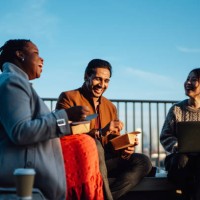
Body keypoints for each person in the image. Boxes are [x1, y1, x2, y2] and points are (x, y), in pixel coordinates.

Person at [0, 39, 91, 200]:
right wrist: (66, 116)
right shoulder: (12, 82)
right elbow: (21, 131)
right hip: (25, 191)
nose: (42, 59)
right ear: (20, 55)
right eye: (36, 53)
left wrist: (66, 123)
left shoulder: (15, 83)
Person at [56, 58, 152, 200]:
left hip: (104, 161)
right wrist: (100, 132)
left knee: (143, 161)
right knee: (96, 145)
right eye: (97, 79)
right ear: (86, 76)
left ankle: (105, 197)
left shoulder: (110, 106)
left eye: (106, 81)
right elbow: (61, 130)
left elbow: (113, 144)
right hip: (80, 160)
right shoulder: (68, 97)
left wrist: (125, 147)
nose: (102, 85)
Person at [160, 68, 200, 200]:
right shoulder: (176, 109)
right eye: (187, 79)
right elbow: (165, 136)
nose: (188, 82)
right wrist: (176, 145)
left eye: (193, 79)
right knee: (182, 160)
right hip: (179, 157)